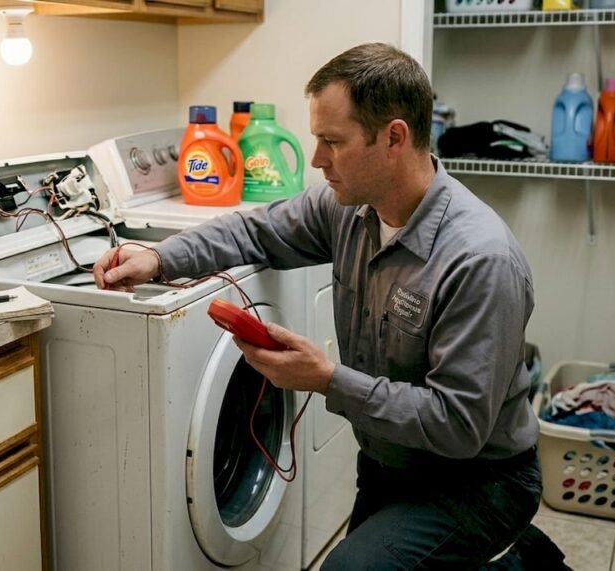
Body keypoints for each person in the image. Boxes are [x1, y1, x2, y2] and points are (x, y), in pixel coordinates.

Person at [94, 43, 568, 570]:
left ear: (393, 138)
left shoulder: (480, 260)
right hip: (391, 462)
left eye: (332, 142)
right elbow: (257, 229)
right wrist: (160, 257)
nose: (316, 158)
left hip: (479, 480)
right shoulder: (349, 209)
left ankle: (522, 563)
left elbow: (457, 425)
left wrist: (325, 379)